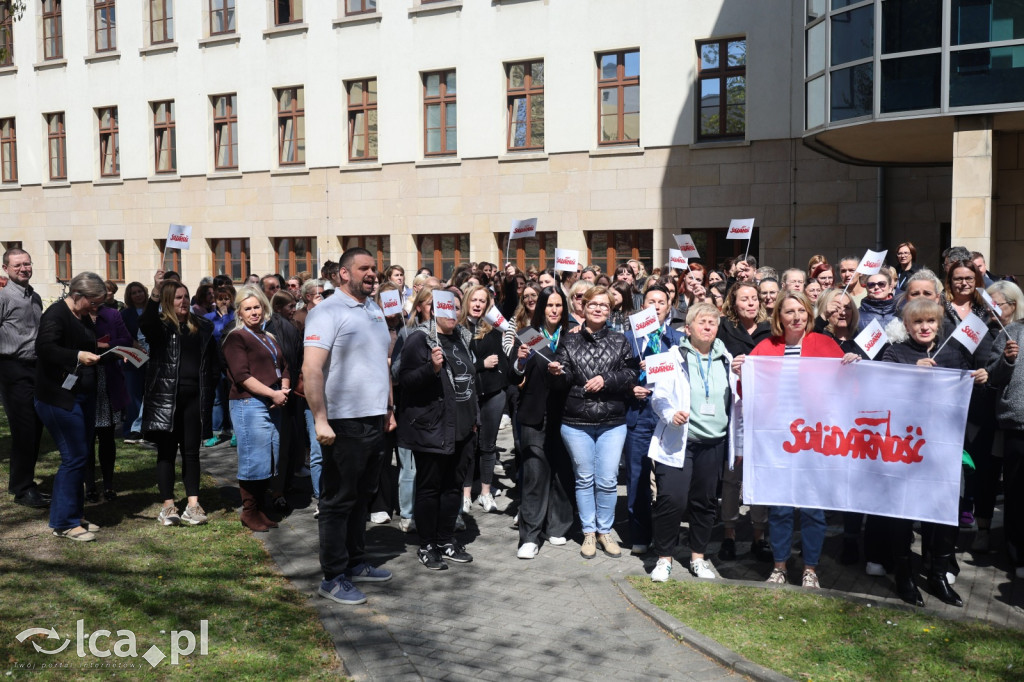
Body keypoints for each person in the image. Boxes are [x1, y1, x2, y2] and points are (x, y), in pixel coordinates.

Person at [880, 298, 989, 606]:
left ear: (939, 323)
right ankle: (904, 576)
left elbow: (967, 400)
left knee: (943, 512)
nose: (925, 327)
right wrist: (912, 372)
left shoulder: (954, 353)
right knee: (903, 512)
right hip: (905, 449)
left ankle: (939, 575)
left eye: (930, 321)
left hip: (943, 449)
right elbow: (882, 393)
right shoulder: (895, 352)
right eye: (918, 322)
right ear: (907, 325)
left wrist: (980, 381)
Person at [744, 291, 857, 588]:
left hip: (815, 440)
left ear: (809, 313)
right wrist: (740, 372)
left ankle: (810, 568)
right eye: (789, 311)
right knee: (780, 507)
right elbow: (748, 393)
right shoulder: (766, 347)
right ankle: (779, 566)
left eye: (801, 311)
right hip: (778, 441)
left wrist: (851, 363)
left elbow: (848, 388)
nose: (796, 317)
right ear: (778, 317)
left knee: (812, 508)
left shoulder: (824, 344)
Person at [304, 248, 395, 605]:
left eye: (374, 268)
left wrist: (389, 408)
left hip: (373, 418)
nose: (373, 273)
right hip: (342, 421)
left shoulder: (373, 308)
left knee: (361, 497)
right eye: (364, 268)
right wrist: (320, 419)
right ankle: (333, 576)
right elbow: (311, 369)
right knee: (338, 501)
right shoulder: (326, 311)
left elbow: (381, 363)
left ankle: (356, 562)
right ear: (343, 273)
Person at [548, 286, 639, 559]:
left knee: (608, 479)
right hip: (577, 421)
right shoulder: (568, 340)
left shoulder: (620, 340)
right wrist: (555, 372)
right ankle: (588, 532)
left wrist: (607, 380)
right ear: (583, 308)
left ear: (610, 311)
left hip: (612, 421)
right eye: (594, 305)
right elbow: (562, 380)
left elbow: (631, 372)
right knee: (585, 479)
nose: (599, 309)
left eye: (604, 306)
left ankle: (605, 531)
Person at [649, 303, 738, 581]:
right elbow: (658, 397)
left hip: (713, 443)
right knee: (672, 499)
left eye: (713, 322)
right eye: (702, 322)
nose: (709, 326)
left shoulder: (728, 358)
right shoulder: (671, 356)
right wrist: (669, 414)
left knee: (705, 502)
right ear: (688, 329)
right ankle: (664, 558)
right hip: (681, 441)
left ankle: (698, 557)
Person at [399, 288, 478, 570]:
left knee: (453, 487)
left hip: (463, 429)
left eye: (457, 308)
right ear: (434, 310)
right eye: (447, 307)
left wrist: (475, 419)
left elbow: (470, 382)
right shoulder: (420, 339)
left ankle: (446, 540)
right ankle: (427, 544)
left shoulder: (462, 338)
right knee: (430, 488)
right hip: (432, 428)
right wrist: (430, 369)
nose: (453, 313)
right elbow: (404, 381)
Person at [141, 271, 220, 527]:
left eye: (186, 296)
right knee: (166, 452)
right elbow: (146, 322)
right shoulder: (161, 327)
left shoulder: (203, 326)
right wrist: (154, 291)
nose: (183, 301)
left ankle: (193, 505)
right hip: (166, 398)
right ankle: (168, 506)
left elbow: (213, 362)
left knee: (191, 452)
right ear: (167, 300)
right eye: (177, 297)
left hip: (195, 397)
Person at [35, 272, 104, 541]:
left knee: (83, 456)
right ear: (78, 296)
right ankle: (63, 522)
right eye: (94, 302)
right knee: (74, 456)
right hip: (57, 398)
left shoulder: (83, 315)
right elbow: (44, 349)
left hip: (81, 395)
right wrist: (77, 355)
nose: (96, 308)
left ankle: (75, 514)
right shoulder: (55, 315)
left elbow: (87, 344)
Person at [223, 286, 290, 532]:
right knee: (254, 460)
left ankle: (260, 509)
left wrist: (282, 389)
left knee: (267, 460)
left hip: (272, 403)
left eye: (257, 307)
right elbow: (242, 376)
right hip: (248, 403)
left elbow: (283, 366)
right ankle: (249, 512)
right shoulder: (236, 338)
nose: (254, 312)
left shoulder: (268, 337)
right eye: (248, 308)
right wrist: (273, 393)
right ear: (239, 312)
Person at [622, 284, 683, 554]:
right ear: (642, 306)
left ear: (669, 308)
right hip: (639, 416)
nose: (656, 306)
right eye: (650, 301)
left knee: (669, 481)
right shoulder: (626, 339)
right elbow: (615, 374)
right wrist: (629, 387)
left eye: (661, 302)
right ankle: (640, 534)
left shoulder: (678, 340)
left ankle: (667, 536)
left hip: (668, 420)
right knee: (637, 478)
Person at [513, 286, 573, 559]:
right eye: (549, 305)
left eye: (559, 305)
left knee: (561, 471)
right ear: (541, 308)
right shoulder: (529, 335)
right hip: (534, 414)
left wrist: (563, 372)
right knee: (535, 475)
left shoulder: (572, 335)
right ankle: (530, 536)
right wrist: (520, 362)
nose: (554, 310)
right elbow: (513, 377)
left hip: (565, 414)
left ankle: (557, 527)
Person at [715, 281, 773, 561]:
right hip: (733, 410)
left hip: (763, 410)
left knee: (759, 473)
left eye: (754, 298)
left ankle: (759, 536)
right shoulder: (724, 329)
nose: (751, 303)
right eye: (745, 299)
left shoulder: (771, 329)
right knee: (732, 476)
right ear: (733, 303)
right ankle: (729, 534)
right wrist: (731, 366)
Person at [0, 248, 46, 508]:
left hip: (35, 368)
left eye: (27, 264)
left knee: (36, 426)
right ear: (6, 268)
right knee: (24, 429)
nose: (23, 269)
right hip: (12, 368)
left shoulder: (35, 297)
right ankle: (22, 488)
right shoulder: (3, 298)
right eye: (17, 265)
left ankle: (25, 482)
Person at [987, 282, 1024, 575]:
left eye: (998, 303)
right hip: (1018, 425)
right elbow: (993, 378)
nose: (993, 309)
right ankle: (1017, 553)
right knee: (1016, 491)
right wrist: (1008, 360)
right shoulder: (1011, 333)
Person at [86, 298, 131, 502]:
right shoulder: (76, 314)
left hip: (108, 382)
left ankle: (108, 484)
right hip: (85, 383)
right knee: (86, 439)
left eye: (98, 296)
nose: (94, 301)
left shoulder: (112, 314)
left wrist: (106, 344)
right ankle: (89, 485)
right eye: (90, 296)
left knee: (106, 437)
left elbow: (126, 340)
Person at [203, 285, 236, 447]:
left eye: (226, 298)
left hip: (231, 362)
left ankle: (234, 430)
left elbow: (230, 333)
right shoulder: (208, 318)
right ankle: (215, 432)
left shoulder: (234, 317)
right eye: (220, 299)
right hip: (214, 363)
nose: (223, 302)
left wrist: (225, 317)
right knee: (216, 398)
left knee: (232, 396)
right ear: (215, 300)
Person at [120, 281, 150, 444]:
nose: (138, 295)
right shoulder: (125, 314)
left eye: (140, 291)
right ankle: (131, 429)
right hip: (133, 359)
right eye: (134, 293)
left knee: (149, 395)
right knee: (133, 396)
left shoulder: (152, 310)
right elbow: (121, 334)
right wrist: (134, 344)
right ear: (129, 296)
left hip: (151, 359)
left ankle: (145, 428)